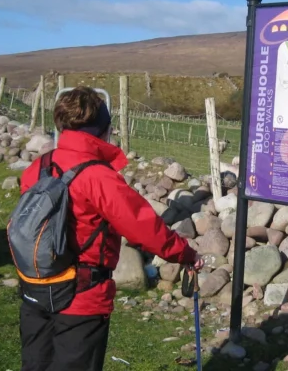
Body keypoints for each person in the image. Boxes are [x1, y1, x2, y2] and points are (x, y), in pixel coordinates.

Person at [16, 86, 204, 371]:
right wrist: (185, 254)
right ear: (103, 130)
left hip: (35, 288)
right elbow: (143, 227)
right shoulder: (98, 176)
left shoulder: (39, 167)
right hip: (80, 297)